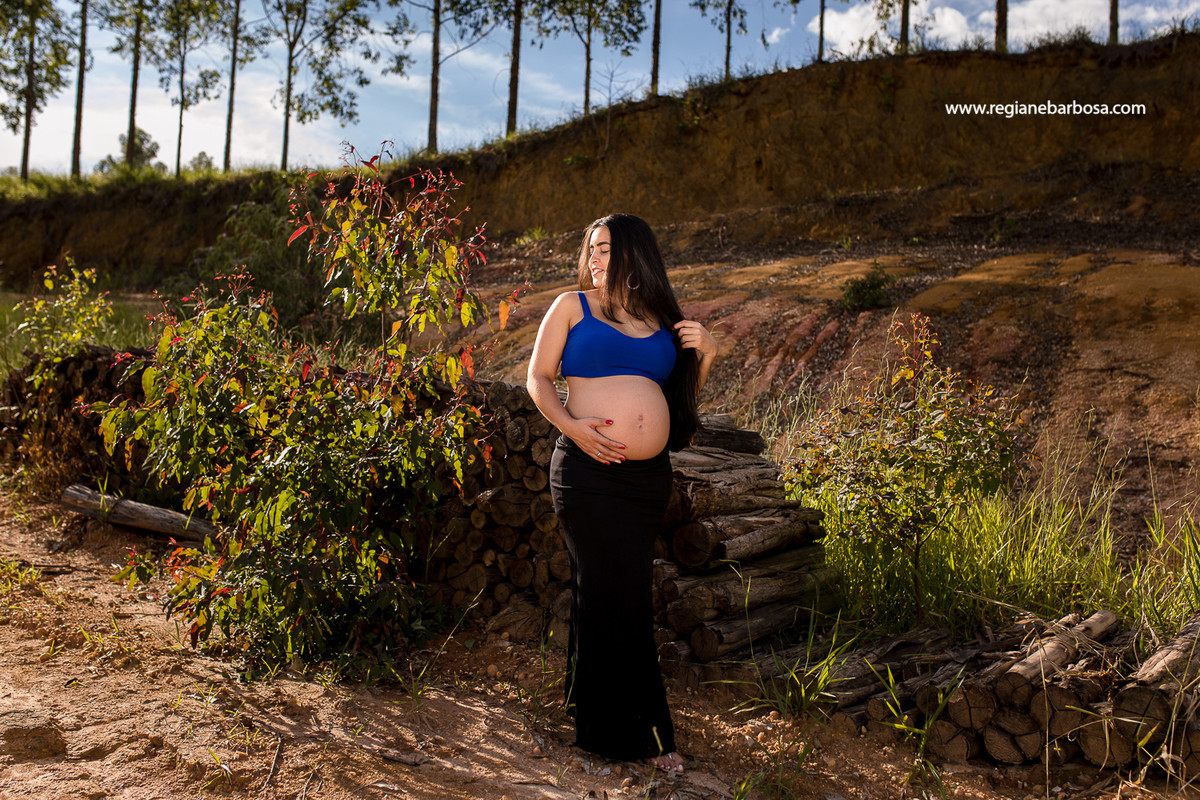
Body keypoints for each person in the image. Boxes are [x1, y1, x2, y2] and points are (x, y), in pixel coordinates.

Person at [526, 213, 718, 772]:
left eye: (605, 249)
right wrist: (574, 427)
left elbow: (679, 411)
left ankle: (591, 709)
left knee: (616, 588)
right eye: (590, 250)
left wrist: (706, 354)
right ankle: (637, 737)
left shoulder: (662, 323)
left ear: (636, 253)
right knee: (618, 594)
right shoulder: (571, 307)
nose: (594, 259)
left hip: (644, 480)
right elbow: (537, 378)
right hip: (586, 471)